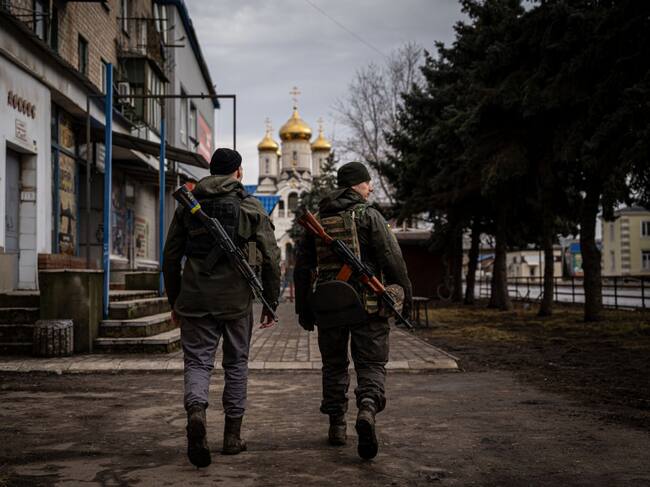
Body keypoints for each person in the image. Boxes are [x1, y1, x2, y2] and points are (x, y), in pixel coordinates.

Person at [163, 148, 281, 468]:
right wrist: (270, 302)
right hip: (236, 302)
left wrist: (175, 300)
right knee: (236, 364)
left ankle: (197, 411)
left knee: (197, 362)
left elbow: (170, 257)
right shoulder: (250, 206)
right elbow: (272, 258)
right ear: (238, 172)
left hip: (194, 299)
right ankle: (232, 437)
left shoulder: (189, 205)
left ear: (211, 171)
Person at [293, 161, 412, 460]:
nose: (371, 188)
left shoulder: (319, 218)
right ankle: (367, 409)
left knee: (333, 365)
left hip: (329, 305)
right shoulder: (370, 216)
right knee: (371, 364)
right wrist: (404, 296)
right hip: (369, 306)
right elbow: (393, 260)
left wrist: (304, 310)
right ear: (357, 185)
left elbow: (303, 268)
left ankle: (336, 425)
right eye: (368, 183)